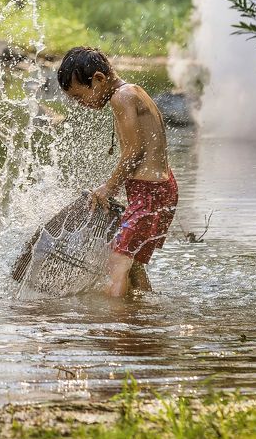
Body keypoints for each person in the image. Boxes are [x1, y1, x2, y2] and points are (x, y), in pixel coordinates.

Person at [56, 46, 178, 297]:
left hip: (150, 192)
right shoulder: (133, 92)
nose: (82, 105)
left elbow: (134, 151)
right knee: (131, 265)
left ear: (99, 79)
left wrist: (109, 187)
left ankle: (117, 327)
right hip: (158, 188)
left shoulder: (121, 97)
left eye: (81, 97)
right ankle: (142, 317)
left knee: (117, 263)